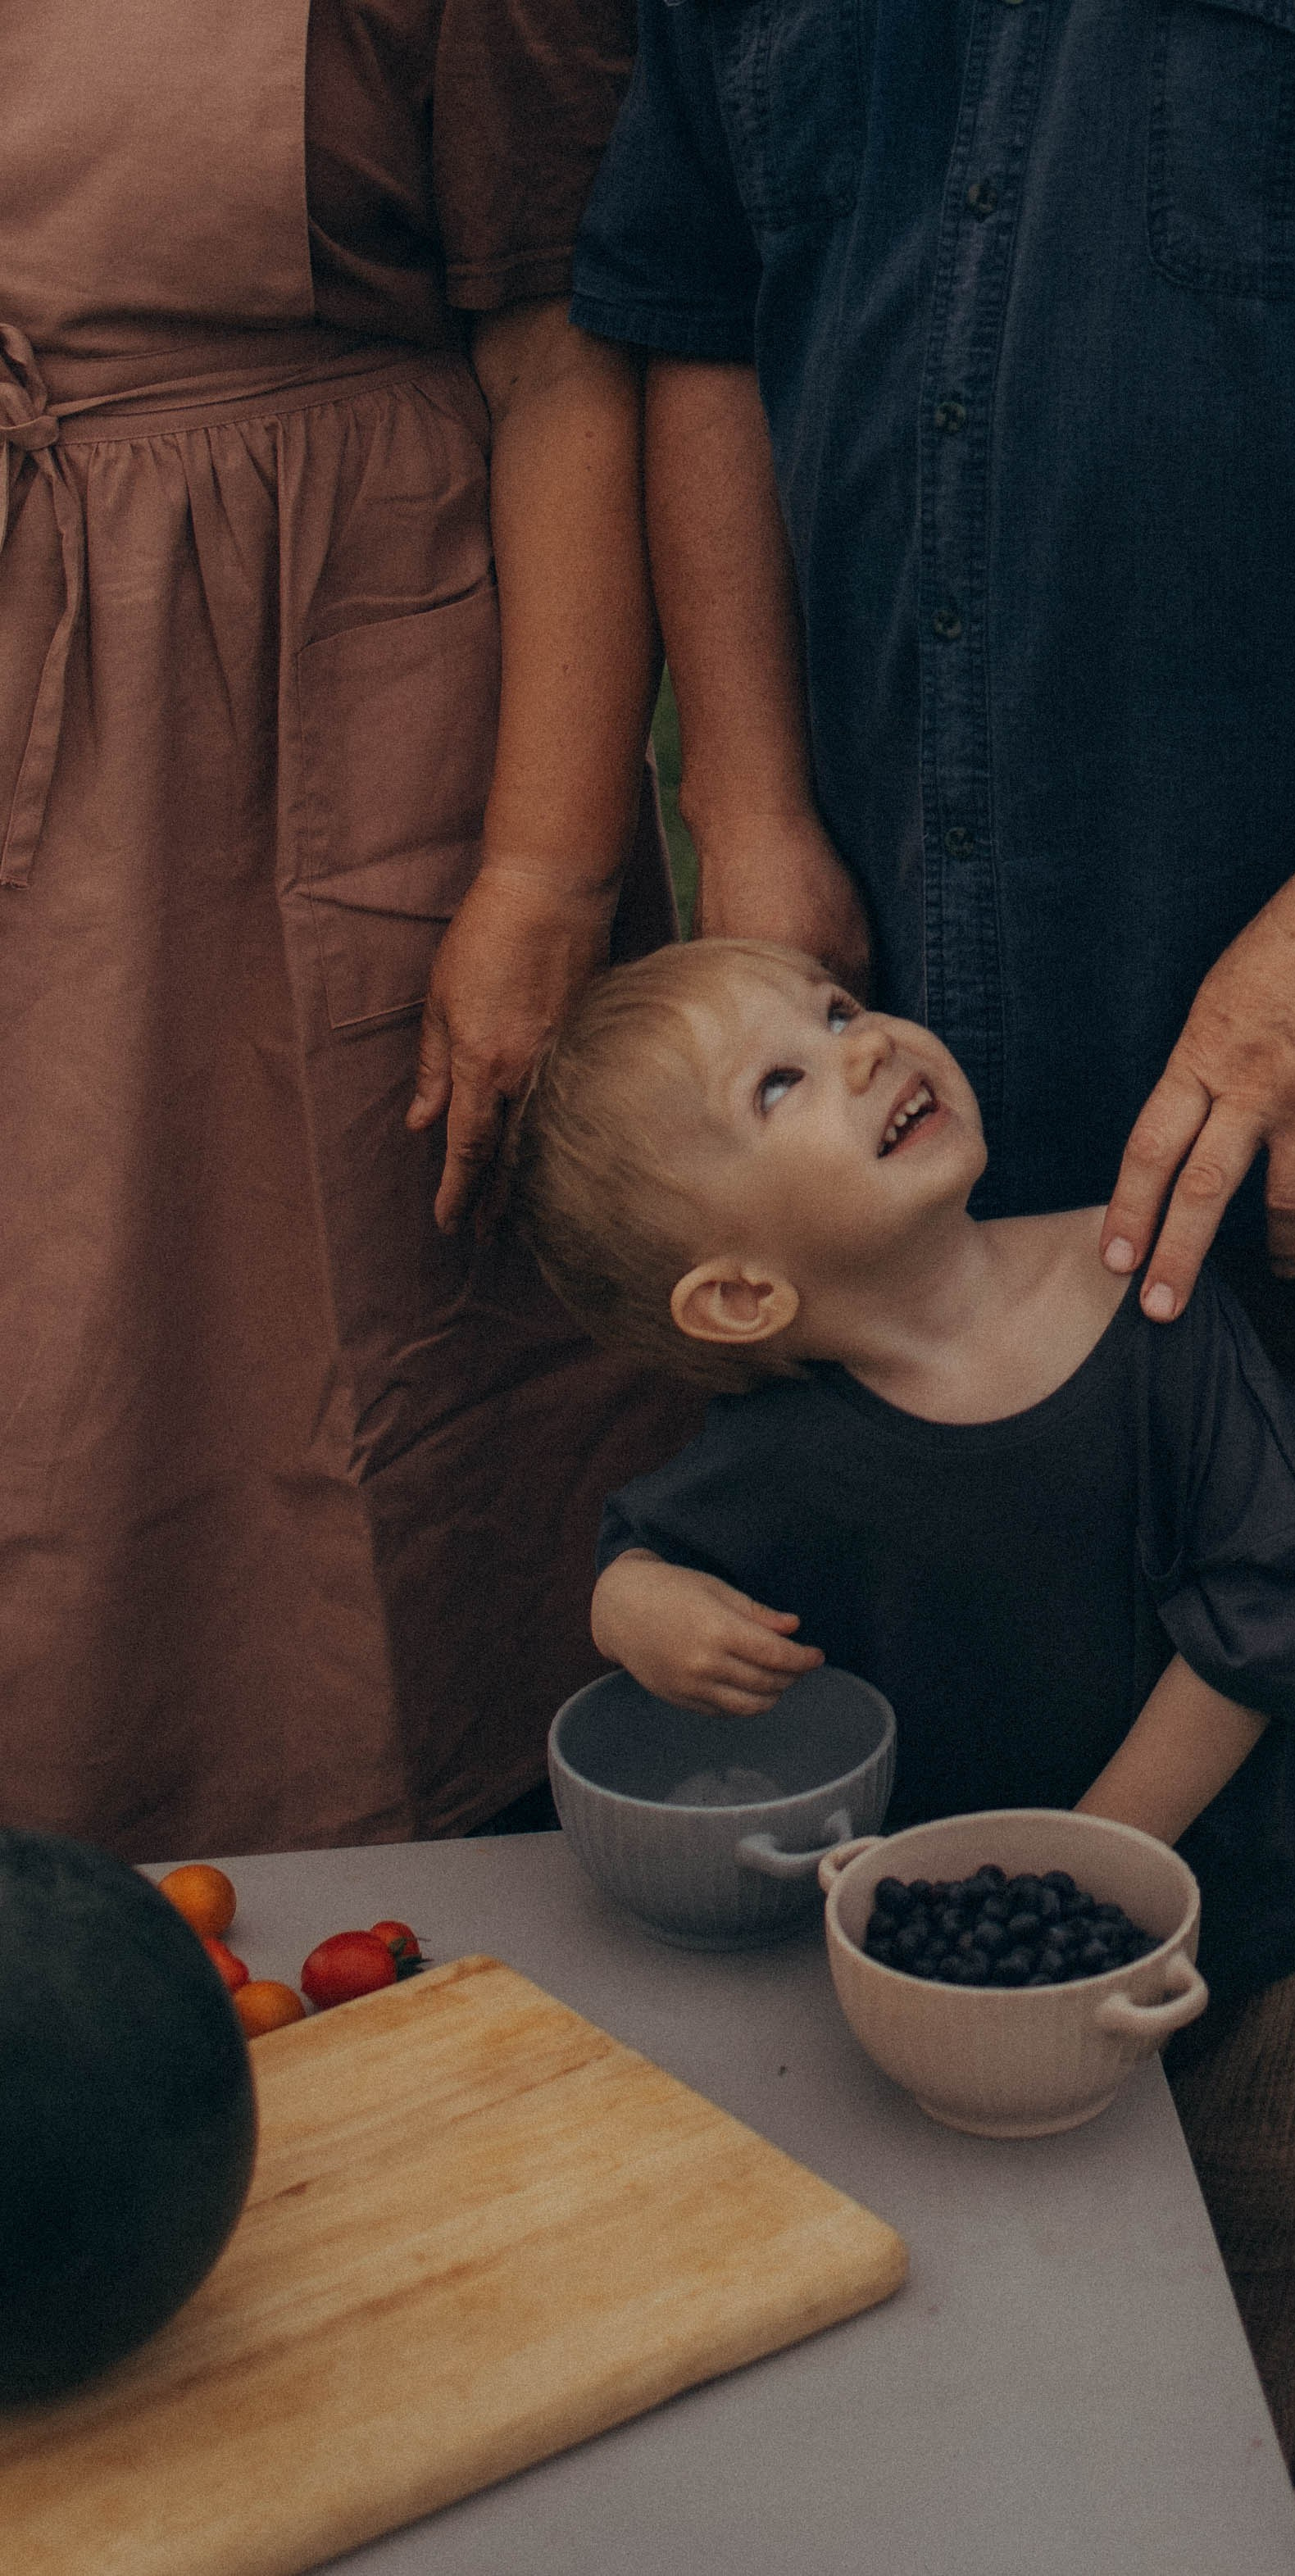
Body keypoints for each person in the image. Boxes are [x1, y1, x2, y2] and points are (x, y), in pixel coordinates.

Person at [562, 7, 1295, 2565]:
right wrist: (753, 801)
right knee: (1011, 1649)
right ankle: (1074, 2303)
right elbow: (699, 301)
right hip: (941, 974)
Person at [510, 933, 1295, 2520]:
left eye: (838, 1007)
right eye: (781, 1082)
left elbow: (1282, 1601)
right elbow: (646, 1548)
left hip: (1293, 1914)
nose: (867, 1042)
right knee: (1030, 2239)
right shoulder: (783, 1453)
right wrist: (634, 1608)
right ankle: (1063, 2494)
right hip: (1001, 1978)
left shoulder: (1138, 1283)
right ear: (740, 1293)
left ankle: (1256, 2495)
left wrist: (1088, 1860)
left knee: (1281, 2216)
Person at [0, 0, 697, 1860]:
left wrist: (542, 873)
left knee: (346, 1353)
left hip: (318, 734)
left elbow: (570, 364)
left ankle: (405, 1914)